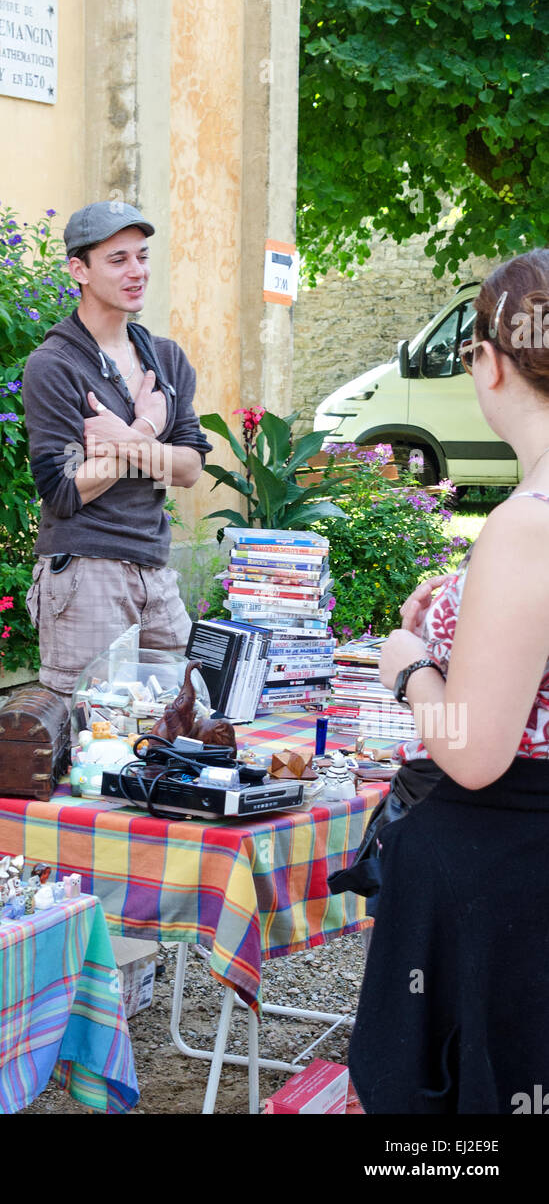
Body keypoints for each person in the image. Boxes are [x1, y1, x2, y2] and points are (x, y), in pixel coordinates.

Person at [348, 248, 549, 1114]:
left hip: (494, 868)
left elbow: (470, 750)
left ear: (491, 360)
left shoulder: (526, 524)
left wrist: (409, 665)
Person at [21, 201, 212, 699]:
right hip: (87, 570)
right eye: (118, 259)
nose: (137, 272)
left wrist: (124, 437)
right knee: (93, 734)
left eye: (142, 257)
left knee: (183, 716)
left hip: (155, 569)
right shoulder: (54, 365)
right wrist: (150, 424)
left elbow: (190, 468)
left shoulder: (166, 359)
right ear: (79, 269)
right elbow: (62, 491)